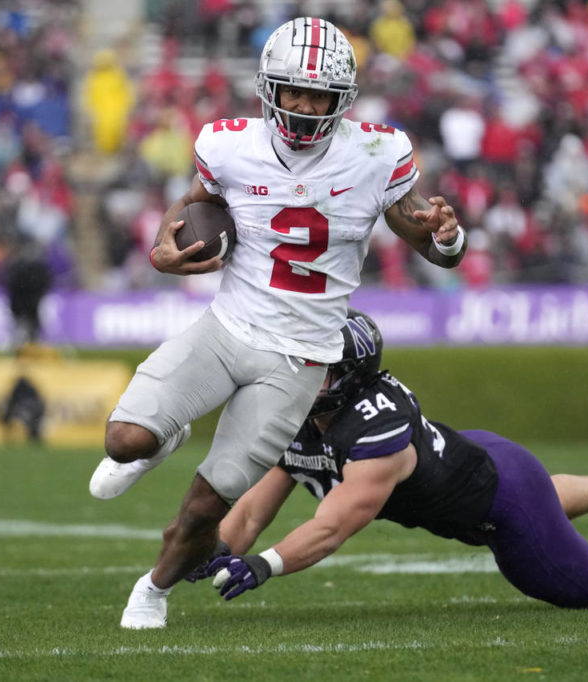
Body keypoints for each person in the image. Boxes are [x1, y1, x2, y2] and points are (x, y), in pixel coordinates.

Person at [93, 17, 467, 629]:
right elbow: (194, 203)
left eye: (318, 94)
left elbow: (429, 240)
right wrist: (164, 245)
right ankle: (165, 436)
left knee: (205, 506)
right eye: (293, 90)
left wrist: (447, 238)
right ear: (269, 88)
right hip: (225, 330)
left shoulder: (377, 154)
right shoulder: (229, 145)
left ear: (342, 99)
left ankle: (152, 590)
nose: (303, 106)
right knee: (124, 440)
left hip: (299, 360)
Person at [176, 310, 588, 612]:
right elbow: (255, 505)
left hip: (499, 501)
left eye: (318, 366)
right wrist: (214, 548)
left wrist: (263, 565)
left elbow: (333, 526)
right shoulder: (306, 413)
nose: (302, 373)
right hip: (480, 458)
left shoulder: (373, 430)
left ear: (349, 378)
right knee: (540, 494)